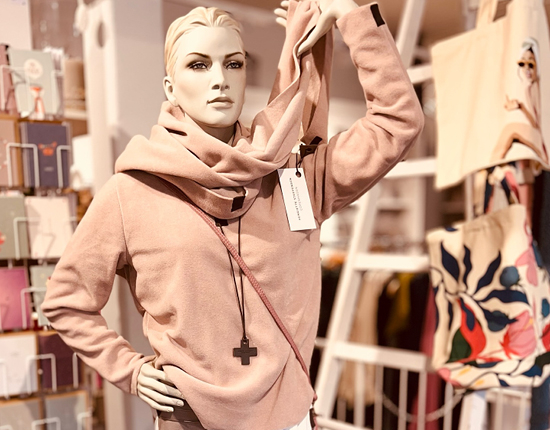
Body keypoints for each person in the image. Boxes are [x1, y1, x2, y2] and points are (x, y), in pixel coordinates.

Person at [41, 0, 423, 429]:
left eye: (234, 63)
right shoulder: (131, 193)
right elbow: (66, 301)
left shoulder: (295, 178)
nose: (220, 79)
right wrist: (129, 370)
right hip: (191, 419)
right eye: (198, 65)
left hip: (288, 418)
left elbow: (397, 122)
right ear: (170, 87)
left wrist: (354, 17)